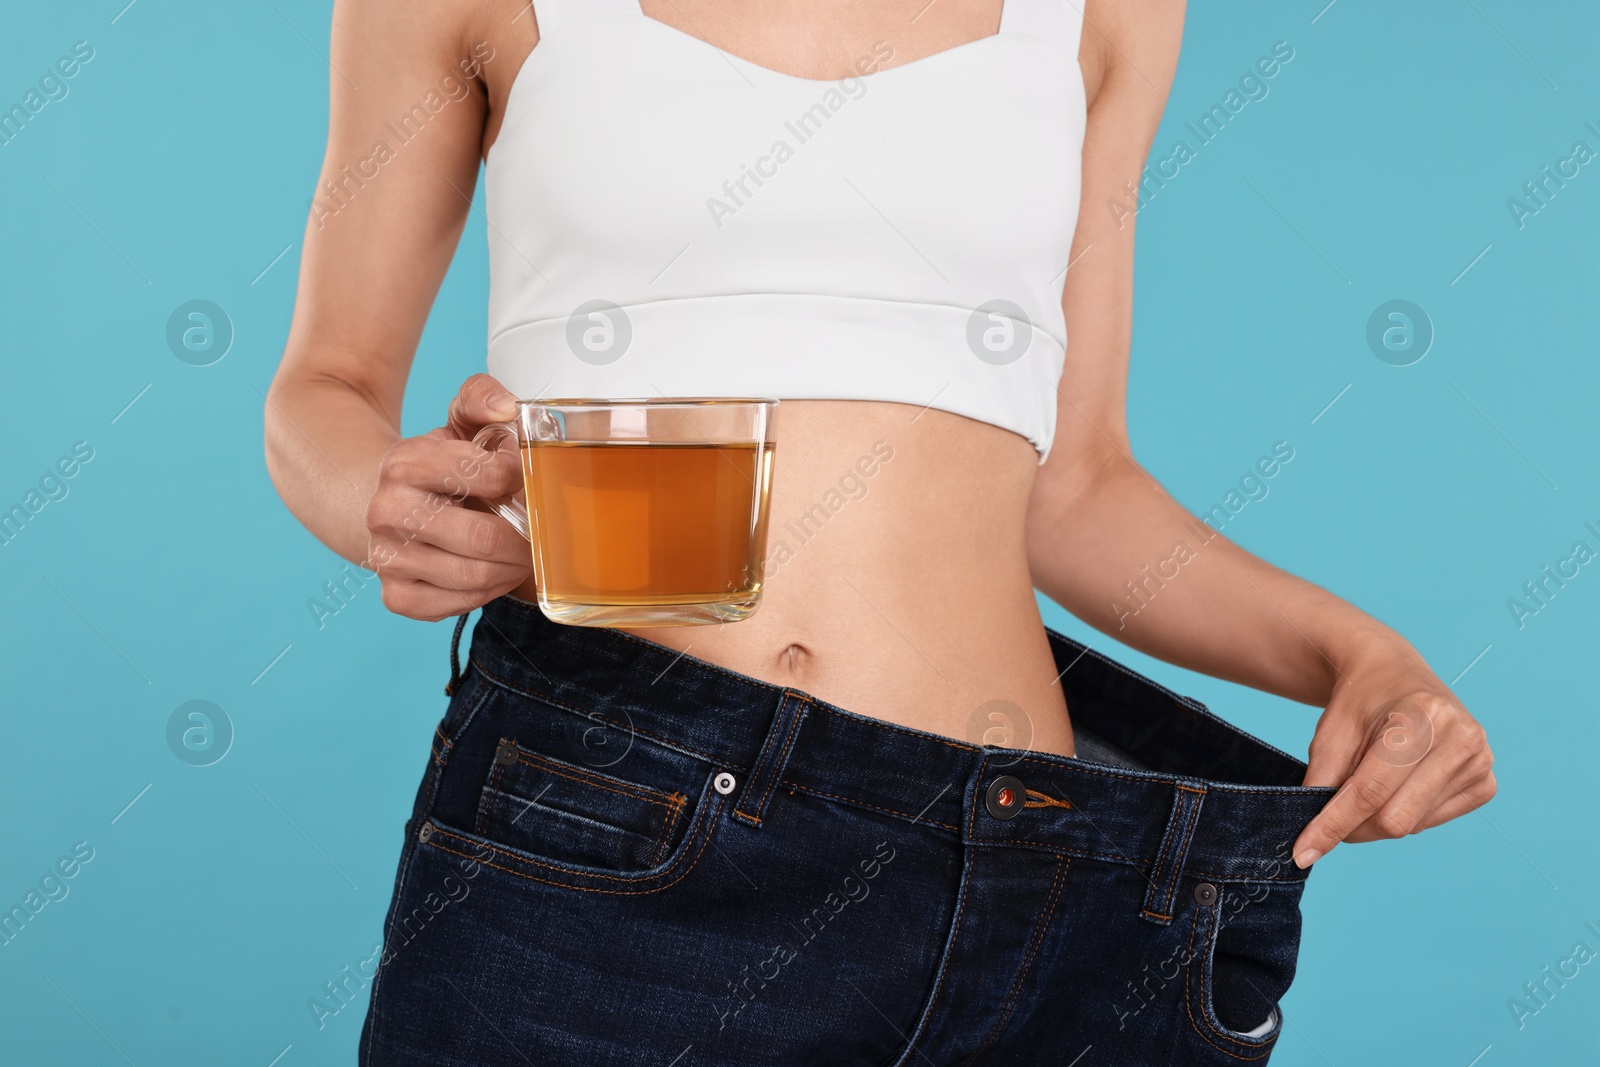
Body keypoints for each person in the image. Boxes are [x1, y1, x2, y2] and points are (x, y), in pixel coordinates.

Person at [264, 1, 1495, 1062]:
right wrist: (384, 495)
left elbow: (1073, 489)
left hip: (1032, 867)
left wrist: (1358, 655)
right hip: (625, 821)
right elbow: (323, 386)